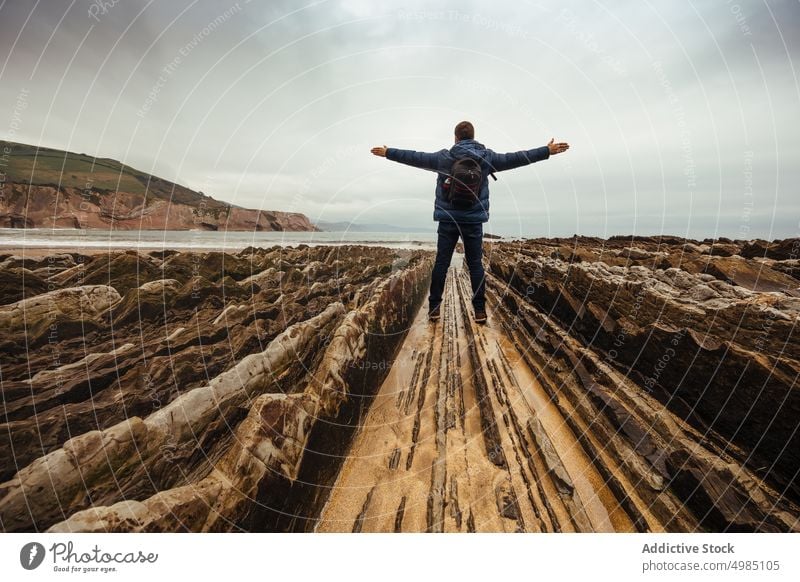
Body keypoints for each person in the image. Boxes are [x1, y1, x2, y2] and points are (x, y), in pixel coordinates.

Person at [371, 121, 569, 324]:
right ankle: (480, 311)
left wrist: (388, 152)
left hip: (448, 220)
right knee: (475, 264)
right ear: (473, 137)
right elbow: (518, 158)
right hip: (474, 220)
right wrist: (546, 151)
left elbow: (414, 157)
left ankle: (434, 309)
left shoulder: (443, 158)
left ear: (455, 138)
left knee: (442, 263)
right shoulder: (487, 157)